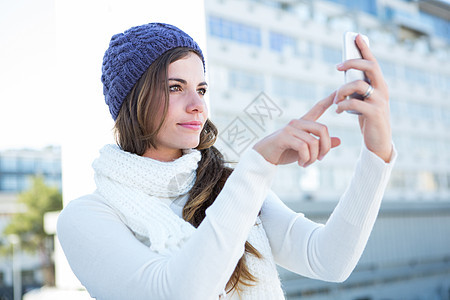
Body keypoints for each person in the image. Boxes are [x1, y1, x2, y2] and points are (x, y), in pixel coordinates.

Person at [57, 22, 396, 300]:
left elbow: (329, 259)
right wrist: (260, 163)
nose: (197, 105)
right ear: (133, 100)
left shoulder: (226, 186)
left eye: (202, 89)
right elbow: (178, 292)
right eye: (175, 87)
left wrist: (376, 152)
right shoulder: (86, 217)